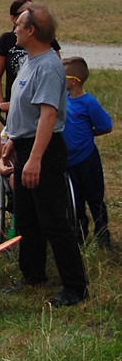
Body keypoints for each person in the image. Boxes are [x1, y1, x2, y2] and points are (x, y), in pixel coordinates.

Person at [2, 3, 88, 307]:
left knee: (54, 220)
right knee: (27, 217)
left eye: (18, 25)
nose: (14, 29)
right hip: (26, 146)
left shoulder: (49, 67)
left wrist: (35, 158)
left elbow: (48, 116)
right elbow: (25, 108)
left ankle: (75, 288)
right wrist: (14, 140)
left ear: (31, 31)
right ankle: (33, 274)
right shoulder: (30, 60)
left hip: (45, 150)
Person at [62, 56, 114, 248]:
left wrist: (88, 134)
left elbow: (106, 125)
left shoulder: (88, 102)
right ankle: (79, 235)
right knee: (75, 201)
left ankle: (103, 236)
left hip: (87, 160)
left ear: (73, 80)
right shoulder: (63, 101)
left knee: (95, 199)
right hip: (69, 162)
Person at [0, 0, 61, 116]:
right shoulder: (8, 40)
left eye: (32, 11)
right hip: (15, 108)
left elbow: (48, 113)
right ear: (13, 18)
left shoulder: (48, 63)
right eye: (25, 12)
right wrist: (1, 103)